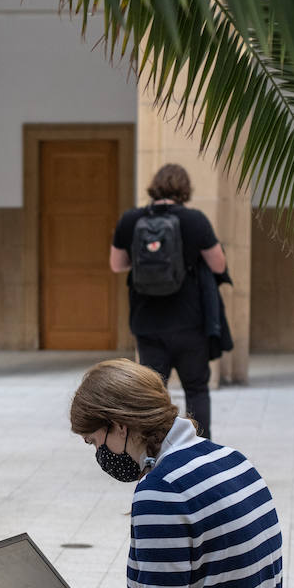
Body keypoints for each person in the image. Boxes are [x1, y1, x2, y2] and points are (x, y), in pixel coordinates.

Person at [0, 359, 287, 588]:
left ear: (119, 426)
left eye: (95, 441)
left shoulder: (161, 491)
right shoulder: (230, 459)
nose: (101, 454)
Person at [110, 164, 228, 439]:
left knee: (151, 394)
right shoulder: (195, 220)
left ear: (154, 187)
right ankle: (200, 452)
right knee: (196, 388)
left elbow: (117, 265)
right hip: (190, 322)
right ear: (185, 189)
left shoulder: (130, 219)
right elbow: (219, 265)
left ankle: (154, 452)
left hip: (147, 322)